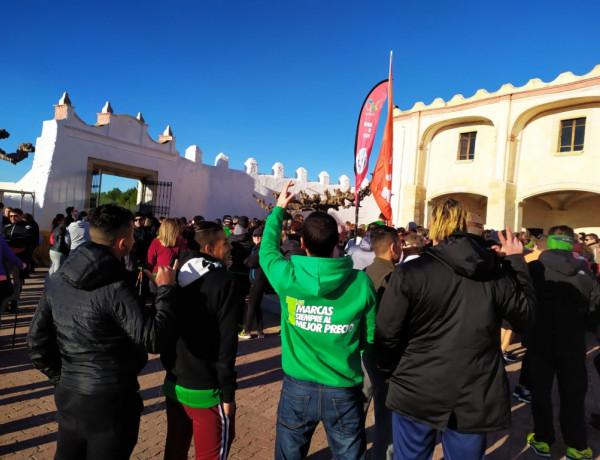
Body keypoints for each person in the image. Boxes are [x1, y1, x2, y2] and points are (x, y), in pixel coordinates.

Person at [376, 197, 536, 460]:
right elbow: (526, 314)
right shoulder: (495, 271)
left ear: (433, 226)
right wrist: (516, 262)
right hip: (472, 391)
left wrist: (391, 373)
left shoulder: (411, 272)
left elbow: (387, 334)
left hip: (420, 386)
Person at [27, 204, 178, 459]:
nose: (134, 240)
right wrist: (166, 291)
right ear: (122, 243)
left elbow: (36, 343)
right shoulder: (117, 286)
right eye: (131, 235)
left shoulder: (57, 278)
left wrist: (65, 379)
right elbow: (153, 338)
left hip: (71, 396)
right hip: (110, 401)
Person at [260, 180, 377, 460]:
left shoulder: (288, 278)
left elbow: (267, 251)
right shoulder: (360, 282)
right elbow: (370, 336)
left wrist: (278, 210)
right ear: (338, 241)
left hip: (297, 386)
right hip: (344, 386)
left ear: (302, 243)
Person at [162, 221, 240, 460]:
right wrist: (228, 394)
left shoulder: (172, 276)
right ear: (209, 248)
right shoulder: (225, 282)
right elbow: (226, 345)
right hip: (206, 389)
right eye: (224, 242)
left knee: (175, 449)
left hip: (174, 382)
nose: (228, 247)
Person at [526, 226, 599, 460]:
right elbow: (594, 311)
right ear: (571, 244)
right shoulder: (585, 273)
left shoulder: (533, 268)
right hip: (574, 344)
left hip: (540, 341)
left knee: (540, 392)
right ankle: (577, 446)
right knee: (573, 395)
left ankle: (542, 438)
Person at [363, 226, 402, 460]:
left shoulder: (365, 273)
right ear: (392, 246)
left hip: (364, 350)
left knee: (358, 406)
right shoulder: (396, 277)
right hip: (387, 353)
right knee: (386, 414)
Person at [239, 227, 267, 339]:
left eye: (259, 236)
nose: (257, 238)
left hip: (257, 280)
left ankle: (247, 331)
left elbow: (251, 262)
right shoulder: (258, 247)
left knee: (251, 305)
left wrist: (247, 261)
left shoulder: (259, 248)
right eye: (255, 236)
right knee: (256, 306)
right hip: (259, 279)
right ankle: (260, 331)